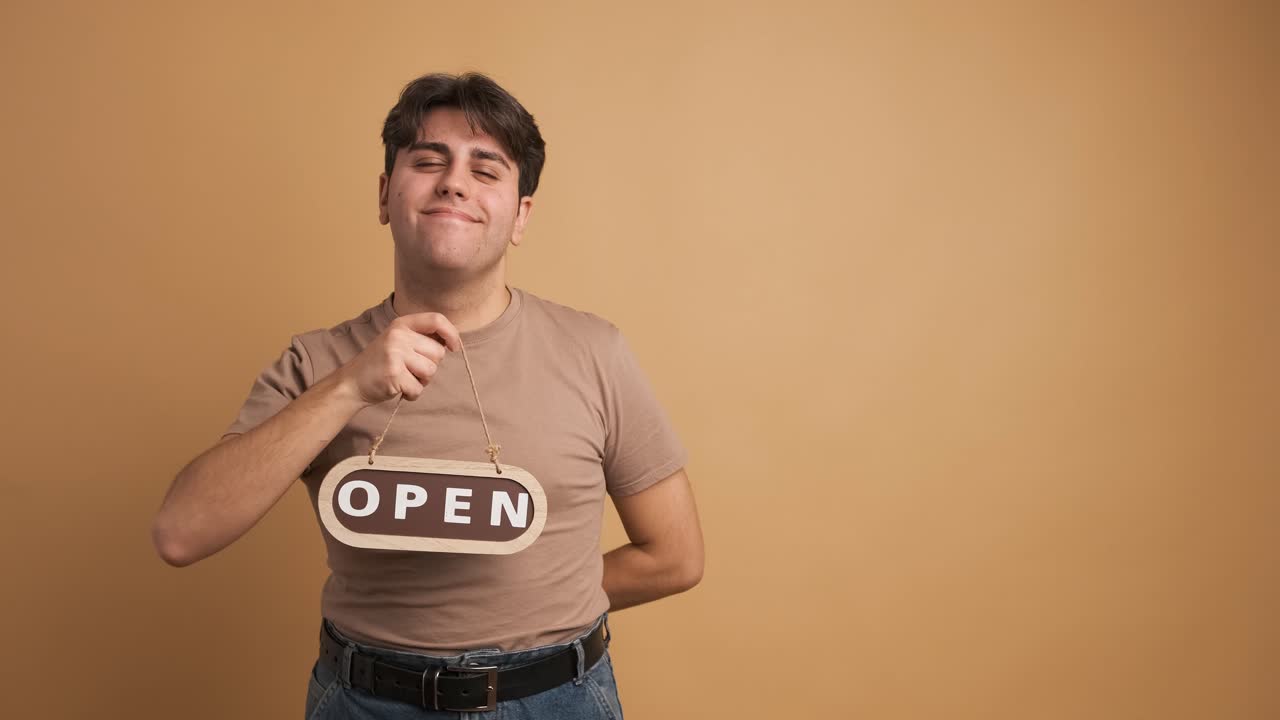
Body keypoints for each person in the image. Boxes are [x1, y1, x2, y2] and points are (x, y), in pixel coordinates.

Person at [151, 71, 704, 718]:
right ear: (386, 194)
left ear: (521, 215)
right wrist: (350, 386)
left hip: (555, 699)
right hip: (365, 701)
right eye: (428, 160)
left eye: (486, 169)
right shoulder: (316, 364)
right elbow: (181, 533)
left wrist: (537, 601)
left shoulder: (595, 353)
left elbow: (676, 556)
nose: (454, 182)